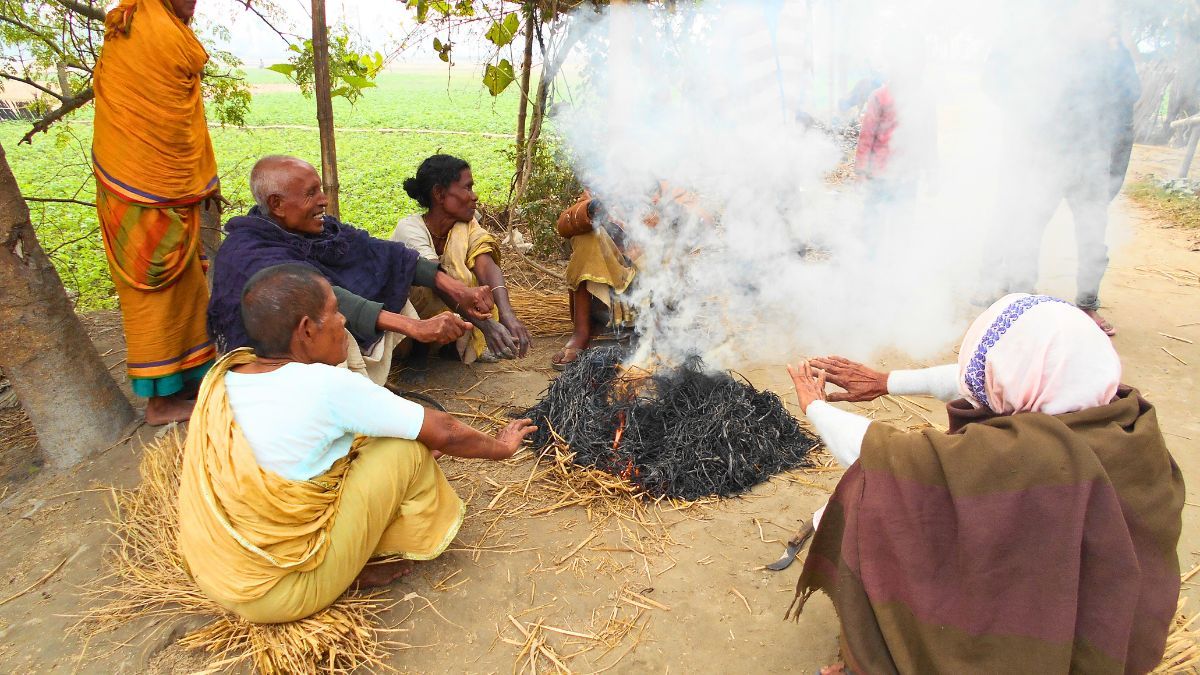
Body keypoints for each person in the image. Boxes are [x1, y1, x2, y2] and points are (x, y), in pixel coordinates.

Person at [785, 293, 1183, 673]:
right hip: (1113, 635)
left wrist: (814, 406)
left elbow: (886, 460)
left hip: (1038, 648)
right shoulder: (1119, 410)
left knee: (871, 499)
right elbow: (982, 378)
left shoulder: (1031, 455)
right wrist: (886, 382)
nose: (984, 386)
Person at [178, 263, 537, 623]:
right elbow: (443, 429)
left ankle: (343, 563)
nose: (344, 322)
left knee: (381, 437)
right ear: (305, 330)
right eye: (334, 312)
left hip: (218, 572)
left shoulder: (225, 378)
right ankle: (348, 569)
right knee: (406, 448)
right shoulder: (324, 386)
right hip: (279, 592)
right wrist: (501, 447)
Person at [208, 155, 492, 385]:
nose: (323, 200)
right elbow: (316, 295)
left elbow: (385, 254)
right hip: (265, 362)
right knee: (330, 330)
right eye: (311, 194)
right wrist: (415, 327)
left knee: (389, 281)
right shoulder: (248, 251)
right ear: (276, 204)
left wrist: (457, 289)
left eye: (320, 189)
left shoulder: (322, 231)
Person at [92, 0, 221, 424]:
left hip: (158, 188)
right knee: (154, 292)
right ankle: (160, 405)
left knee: (186, 287)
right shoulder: (152, 32)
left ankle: (184, 383)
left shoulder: (155, 24)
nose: (195, 5)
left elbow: (184, 122)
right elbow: (165, 129)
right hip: (141, 189)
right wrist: (192, 182)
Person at [987, 5, 1139, 336]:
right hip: (1046, 156)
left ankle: (1087, 305)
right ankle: (1020, 301)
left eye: (1106, 17)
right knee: (1028, 227)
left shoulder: (1112, 53)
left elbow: (1131, 98)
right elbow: (996, 75)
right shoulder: (1044, 45)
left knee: (1092, 236)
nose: (1104, 21)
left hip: (1091, 159)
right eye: (1097, 16)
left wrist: (1115, 55)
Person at [391, 155, 531, 363]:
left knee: (481, 283)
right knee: (432, 282)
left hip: (457, 309)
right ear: (439, 193)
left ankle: (451, 346)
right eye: (467, 188)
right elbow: (437, 282)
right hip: (404, 323)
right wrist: (485, 325)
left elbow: (485, 266)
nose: (474, 196)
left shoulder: (464, 225)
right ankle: (419, 353)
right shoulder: (410, 229)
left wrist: (506, 313)